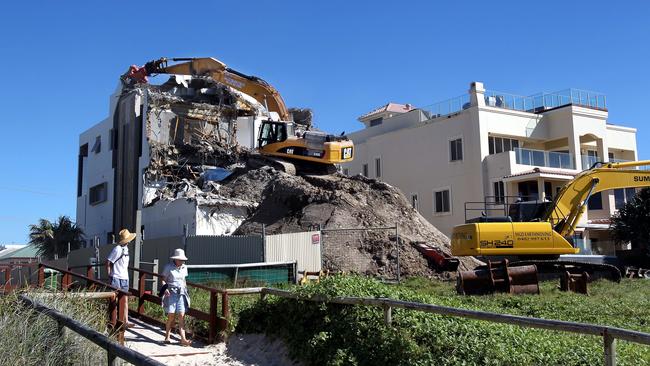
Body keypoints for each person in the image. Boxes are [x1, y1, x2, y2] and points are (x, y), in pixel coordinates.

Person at [161, 248, 191, 346]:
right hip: (171, 293)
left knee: (181, 315)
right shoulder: (168, 267)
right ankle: (167, 336)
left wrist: (186, 290)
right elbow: (163, 280)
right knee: (171, 316)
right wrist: (165, 289)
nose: (182, 261)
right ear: (175, 259)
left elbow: (184, 280)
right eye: (180, 260)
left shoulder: (184, 268)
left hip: (181, 293)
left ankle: (183, 339)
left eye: (183, 260)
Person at [106, 228, 136, 328]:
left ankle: (125, 320)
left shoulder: (126, 249)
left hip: (124, 277)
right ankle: (113, 320)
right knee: (115, 299)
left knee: (125, 299)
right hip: (116, 277)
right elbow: (108, 261)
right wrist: (110, 273)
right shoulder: (117, 249)